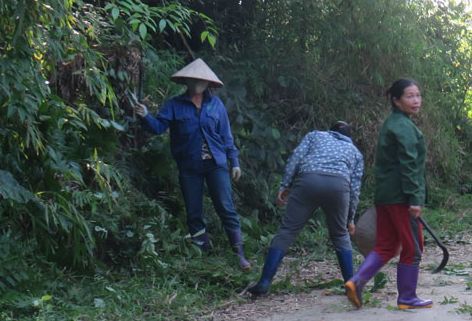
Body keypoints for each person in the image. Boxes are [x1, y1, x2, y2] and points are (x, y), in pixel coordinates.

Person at [134, 59, 251, 269]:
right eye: (193, 80)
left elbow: (226, 136)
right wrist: (145, 116)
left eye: (201, 81)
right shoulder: (174, 104)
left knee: (226, 207)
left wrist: (234, 162)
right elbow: (158, 127)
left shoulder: (216, 105)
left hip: (216, 163)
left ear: (207, 84)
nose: (197, 84)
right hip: (189, 167)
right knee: (194, 211)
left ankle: (240, 255)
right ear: (186, 81)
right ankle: (202, 257)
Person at [243, 121, 364, 296]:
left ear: (329, 131)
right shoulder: (354, 152)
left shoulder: (315, 135)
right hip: (339, 186)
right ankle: (351, 287)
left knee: (287, 231)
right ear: (348, 136)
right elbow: (355, 188)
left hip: (308, 181)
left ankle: (263, 282)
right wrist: (350, 219)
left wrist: (285, 185)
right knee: (339, 235)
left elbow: (296, 158)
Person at [344, 78, 431, 310]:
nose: (416, 100)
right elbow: (409, 165)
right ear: (396, 100)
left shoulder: (392, 123)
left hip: (385, 196)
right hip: (401, 197)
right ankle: (407, 297)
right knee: (413, 246)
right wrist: (414, 199)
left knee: (386, 246)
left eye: (418, 95)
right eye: (409, 96)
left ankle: (356, 282)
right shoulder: (403, 126)